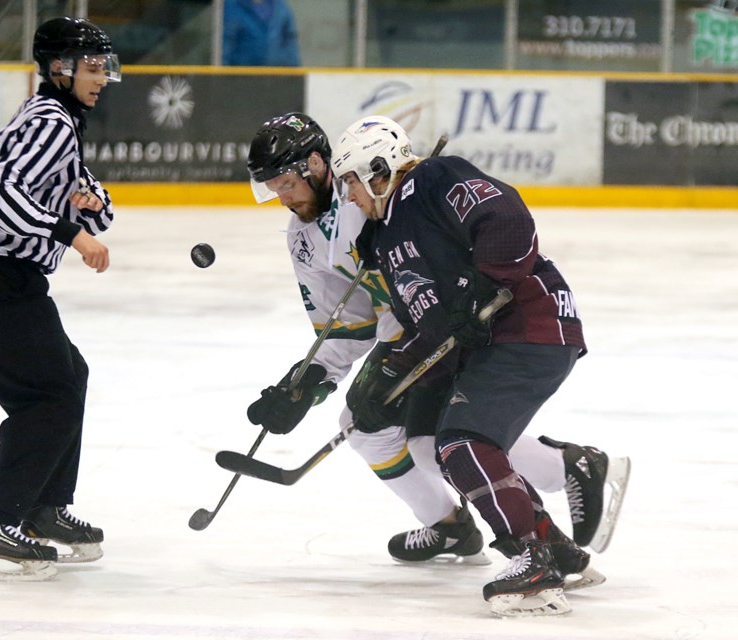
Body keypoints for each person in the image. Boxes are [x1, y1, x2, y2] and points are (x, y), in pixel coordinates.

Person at [245, 113, 625, 574]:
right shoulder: (307, 239)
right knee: (407, 435)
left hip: (468, 322)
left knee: (457, 437)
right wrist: (303, 385)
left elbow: (492, 221)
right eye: (273, 188)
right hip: (423, 330)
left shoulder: (377, 195)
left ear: (317, 164)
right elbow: (347, 326)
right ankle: (459, 526)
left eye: (287, 183)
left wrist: (477, 288)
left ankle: (556, 484)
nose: (283, 198)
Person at [0, 17, 120, 581]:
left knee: (70, 376)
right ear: (59, 67)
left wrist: (89, 204)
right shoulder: (51, 121)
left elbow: (94, 201)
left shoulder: (58, 119)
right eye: (92, 67)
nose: (103, 78)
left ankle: (42, 508)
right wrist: (72, 233)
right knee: (49, 395)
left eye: (104, 68)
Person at [223, 0, 301, 67]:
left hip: (276, 77)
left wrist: (295, 77)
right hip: (240, 77)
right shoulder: (231, 7)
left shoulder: (281, 7)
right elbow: (223, 46)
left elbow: (290, 44)